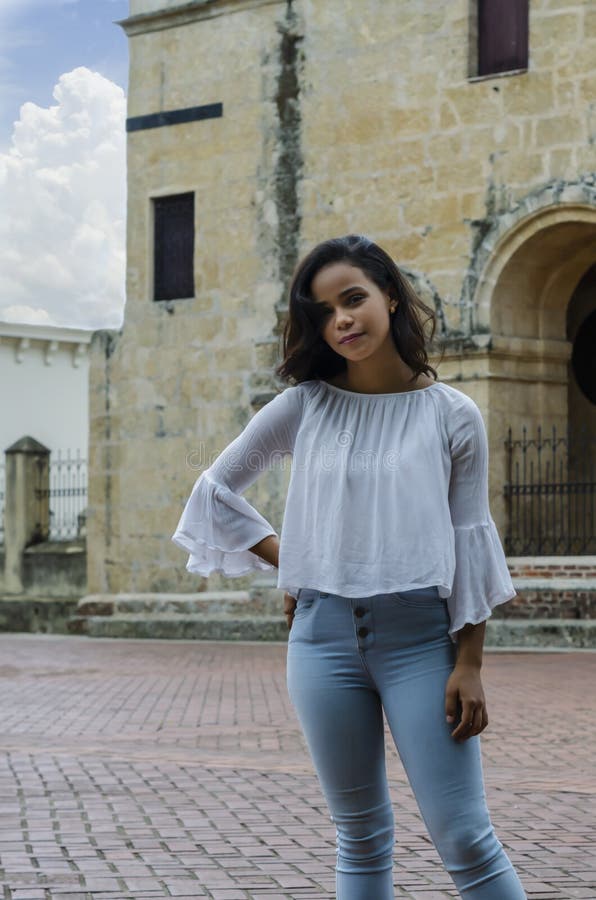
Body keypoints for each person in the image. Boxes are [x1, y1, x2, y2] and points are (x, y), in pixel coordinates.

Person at [172, 234, 527, 899]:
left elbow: (470, 540)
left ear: (390, 295)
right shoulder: (304, 406)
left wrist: (471, 663)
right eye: (324, 311)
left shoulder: (453, 415)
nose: (342, 320)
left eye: (354, 298)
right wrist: (295, 564)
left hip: (423, 640)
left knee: (466, 838)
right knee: (360, 837)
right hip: (321, 640)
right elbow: (214, 492)